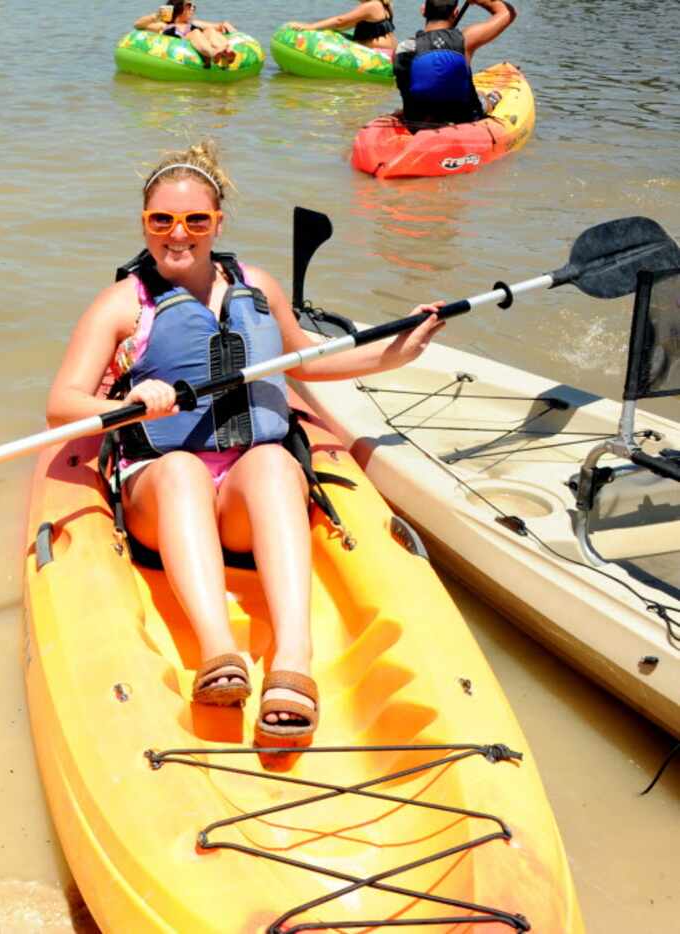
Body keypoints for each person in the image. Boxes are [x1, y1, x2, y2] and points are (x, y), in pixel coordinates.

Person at [45, 141, 444, 745]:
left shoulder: (255, 284)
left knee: (272, 460)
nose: (178, 234)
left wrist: (399, 351)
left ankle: (293, 661)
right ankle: (218, 653)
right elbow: (62, 405)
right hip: (162, 492)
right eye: (162, 220)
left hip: (240, 504)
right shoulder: (124, 304)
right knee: (180, 468)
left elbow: (305, 362)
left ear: (217, 223)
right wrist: (128, 403)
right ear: (144, 224)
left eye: (195, 220)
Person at [394, 0, 518, 129]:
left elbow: (406, 87)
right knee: (482, 97)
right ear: (456, 12)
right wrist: (481, 1)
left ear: (423, 10)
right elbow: (508, 13)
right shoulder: (466, 40)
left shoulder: (403, 48)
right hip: (463, 120)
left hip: (415, 122)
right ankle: (492, 99)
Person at [133, 2, 237, 68]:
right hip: (183, 46)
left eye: (194, 7)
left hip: (202, 44)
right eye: (189, 6)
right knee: (195, 33)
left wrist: (227, 26)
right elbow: (138, 25)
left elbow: (219, 27)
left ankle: (225, 52)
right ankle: (214, 54)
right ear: (178, 7)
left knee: (209, 30)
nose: (192, 9)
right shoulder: (164, 25)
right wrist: (157, 15)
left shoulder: (194, 23)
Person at [286, 1, 397, 51]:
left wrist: (310, 27)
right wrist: (324, 29)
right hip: (389, 49)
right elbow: (346, 25)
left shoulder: (371, 6)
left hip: (377, 50)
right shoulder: (384, 5)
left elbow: (340, 21)